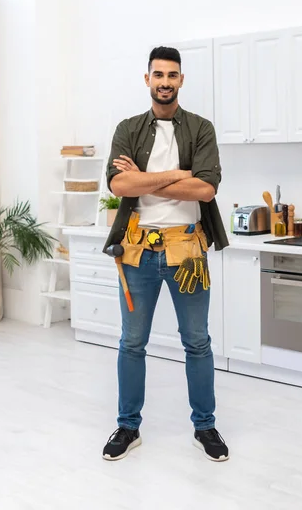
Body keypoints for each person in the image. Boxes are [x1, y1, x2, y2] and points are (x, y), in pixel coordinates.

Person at [102, 46, 229, 462]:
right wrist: (178, 174)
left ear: (181, 80)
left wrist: (143, 180)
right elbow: (119, 187)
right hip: (137, 249)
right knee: (131, 342)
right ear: (147, 79)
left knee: (197, 342)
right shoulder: (127, 128)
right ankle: (127, 427)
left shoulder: (201, 128)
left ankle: (205, 427)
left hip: (188, 248)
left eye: (172, 75)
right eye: (158, 74)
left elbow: (206, 189)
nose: (165, 82)